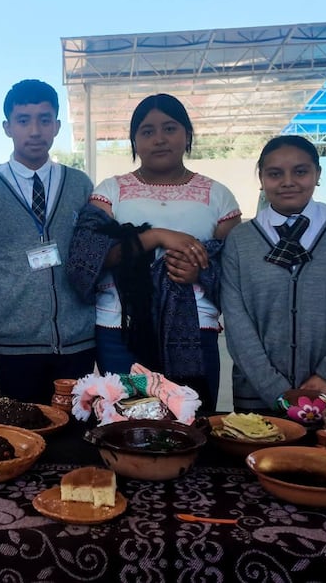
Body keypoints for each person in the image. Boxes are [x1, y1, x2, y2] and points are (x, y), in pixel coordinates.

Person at [67, 93, 241, 412]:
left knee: (189, 419)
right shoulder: (111, 190)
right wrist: (155, 237)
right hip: (121, 332)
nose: (159, 139)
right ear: (134, 141)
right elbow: (91, 256)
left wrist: (198, 272)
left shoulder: (218, 196)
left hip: (194, 331)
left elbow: (234, 271)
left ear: (187, 134)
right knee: (129, 420)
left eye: (170, 128)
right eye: (147, 131)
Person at [221, 135, 326, 413]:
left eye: (300, 171)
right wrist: (277, 392)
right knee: (264, 457)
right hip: (260, 399)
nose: (288, 181)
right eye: (275, 174)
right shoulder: (240, 241)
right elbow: (237, 324)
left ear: (317, 174)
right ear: (261, 178)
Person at [0, 79, 96, 404]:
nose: (35, 130)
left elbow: (92, 253)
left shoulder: (78, 184)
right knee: (24, 429)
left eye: (44, 119)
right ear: (7, 127)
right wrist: (4, 304)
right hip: (15, 340)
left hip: (77, 339)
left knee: (77, 426)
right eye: (23, 120)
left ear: (57, 126)